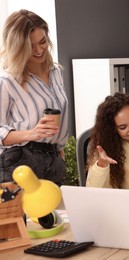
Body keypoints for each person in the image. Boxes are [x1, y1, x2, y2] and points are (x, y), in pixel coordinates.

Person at [0, 9, 68, 185]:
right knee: (14, 213)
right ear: (18, 47)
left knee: (53, 213)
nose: (39, 50)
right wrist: (31, 133)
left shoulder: (56, 72)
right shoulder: (8, 81)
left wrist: (60, 153)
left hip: (53, 160)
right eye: (30, 46)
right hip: (20, 161)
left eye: (43, 41)